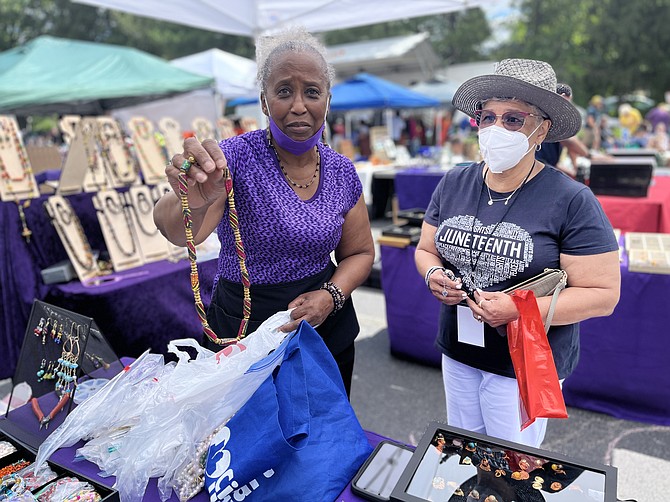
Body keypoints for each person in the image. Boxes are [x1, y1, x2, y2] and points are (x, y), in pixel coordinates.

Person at [153, 26, 374, 397]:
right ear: (264, 100)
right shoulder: (233, 158)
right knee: (247, 440)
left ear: (328, 100)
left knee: (324, 438)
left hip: (323, 325)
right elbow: (176, 229)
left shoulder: (341, 171)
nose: (299, 105)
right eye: (284, 90)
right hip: (246, 326)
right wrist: (191, 196)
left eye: (312, 92)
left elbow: (361, 253)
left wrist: (330, 296)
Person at [414, 58, 621, 447]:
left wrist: (519, 309)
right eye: (487, 116)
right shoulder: (455, 181)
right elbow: (426, 249)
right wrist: (432, 275)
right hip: (459, 351)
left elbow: (604, 295)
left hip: (524, 361)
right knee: (462, 450)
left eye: (513, 119)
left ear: (542, 129)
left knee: (511, 467)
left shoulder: (571, 199)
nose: (495, 128)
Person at [535, 83, 590, 176]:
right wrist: (589, 155)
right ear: (563, 97)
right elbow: (570, 142)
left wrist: (573, 172)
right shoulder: (554, 118)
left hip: (542, 165)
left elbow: (553, 162)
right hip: (539, 168)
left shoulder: (546, 114)